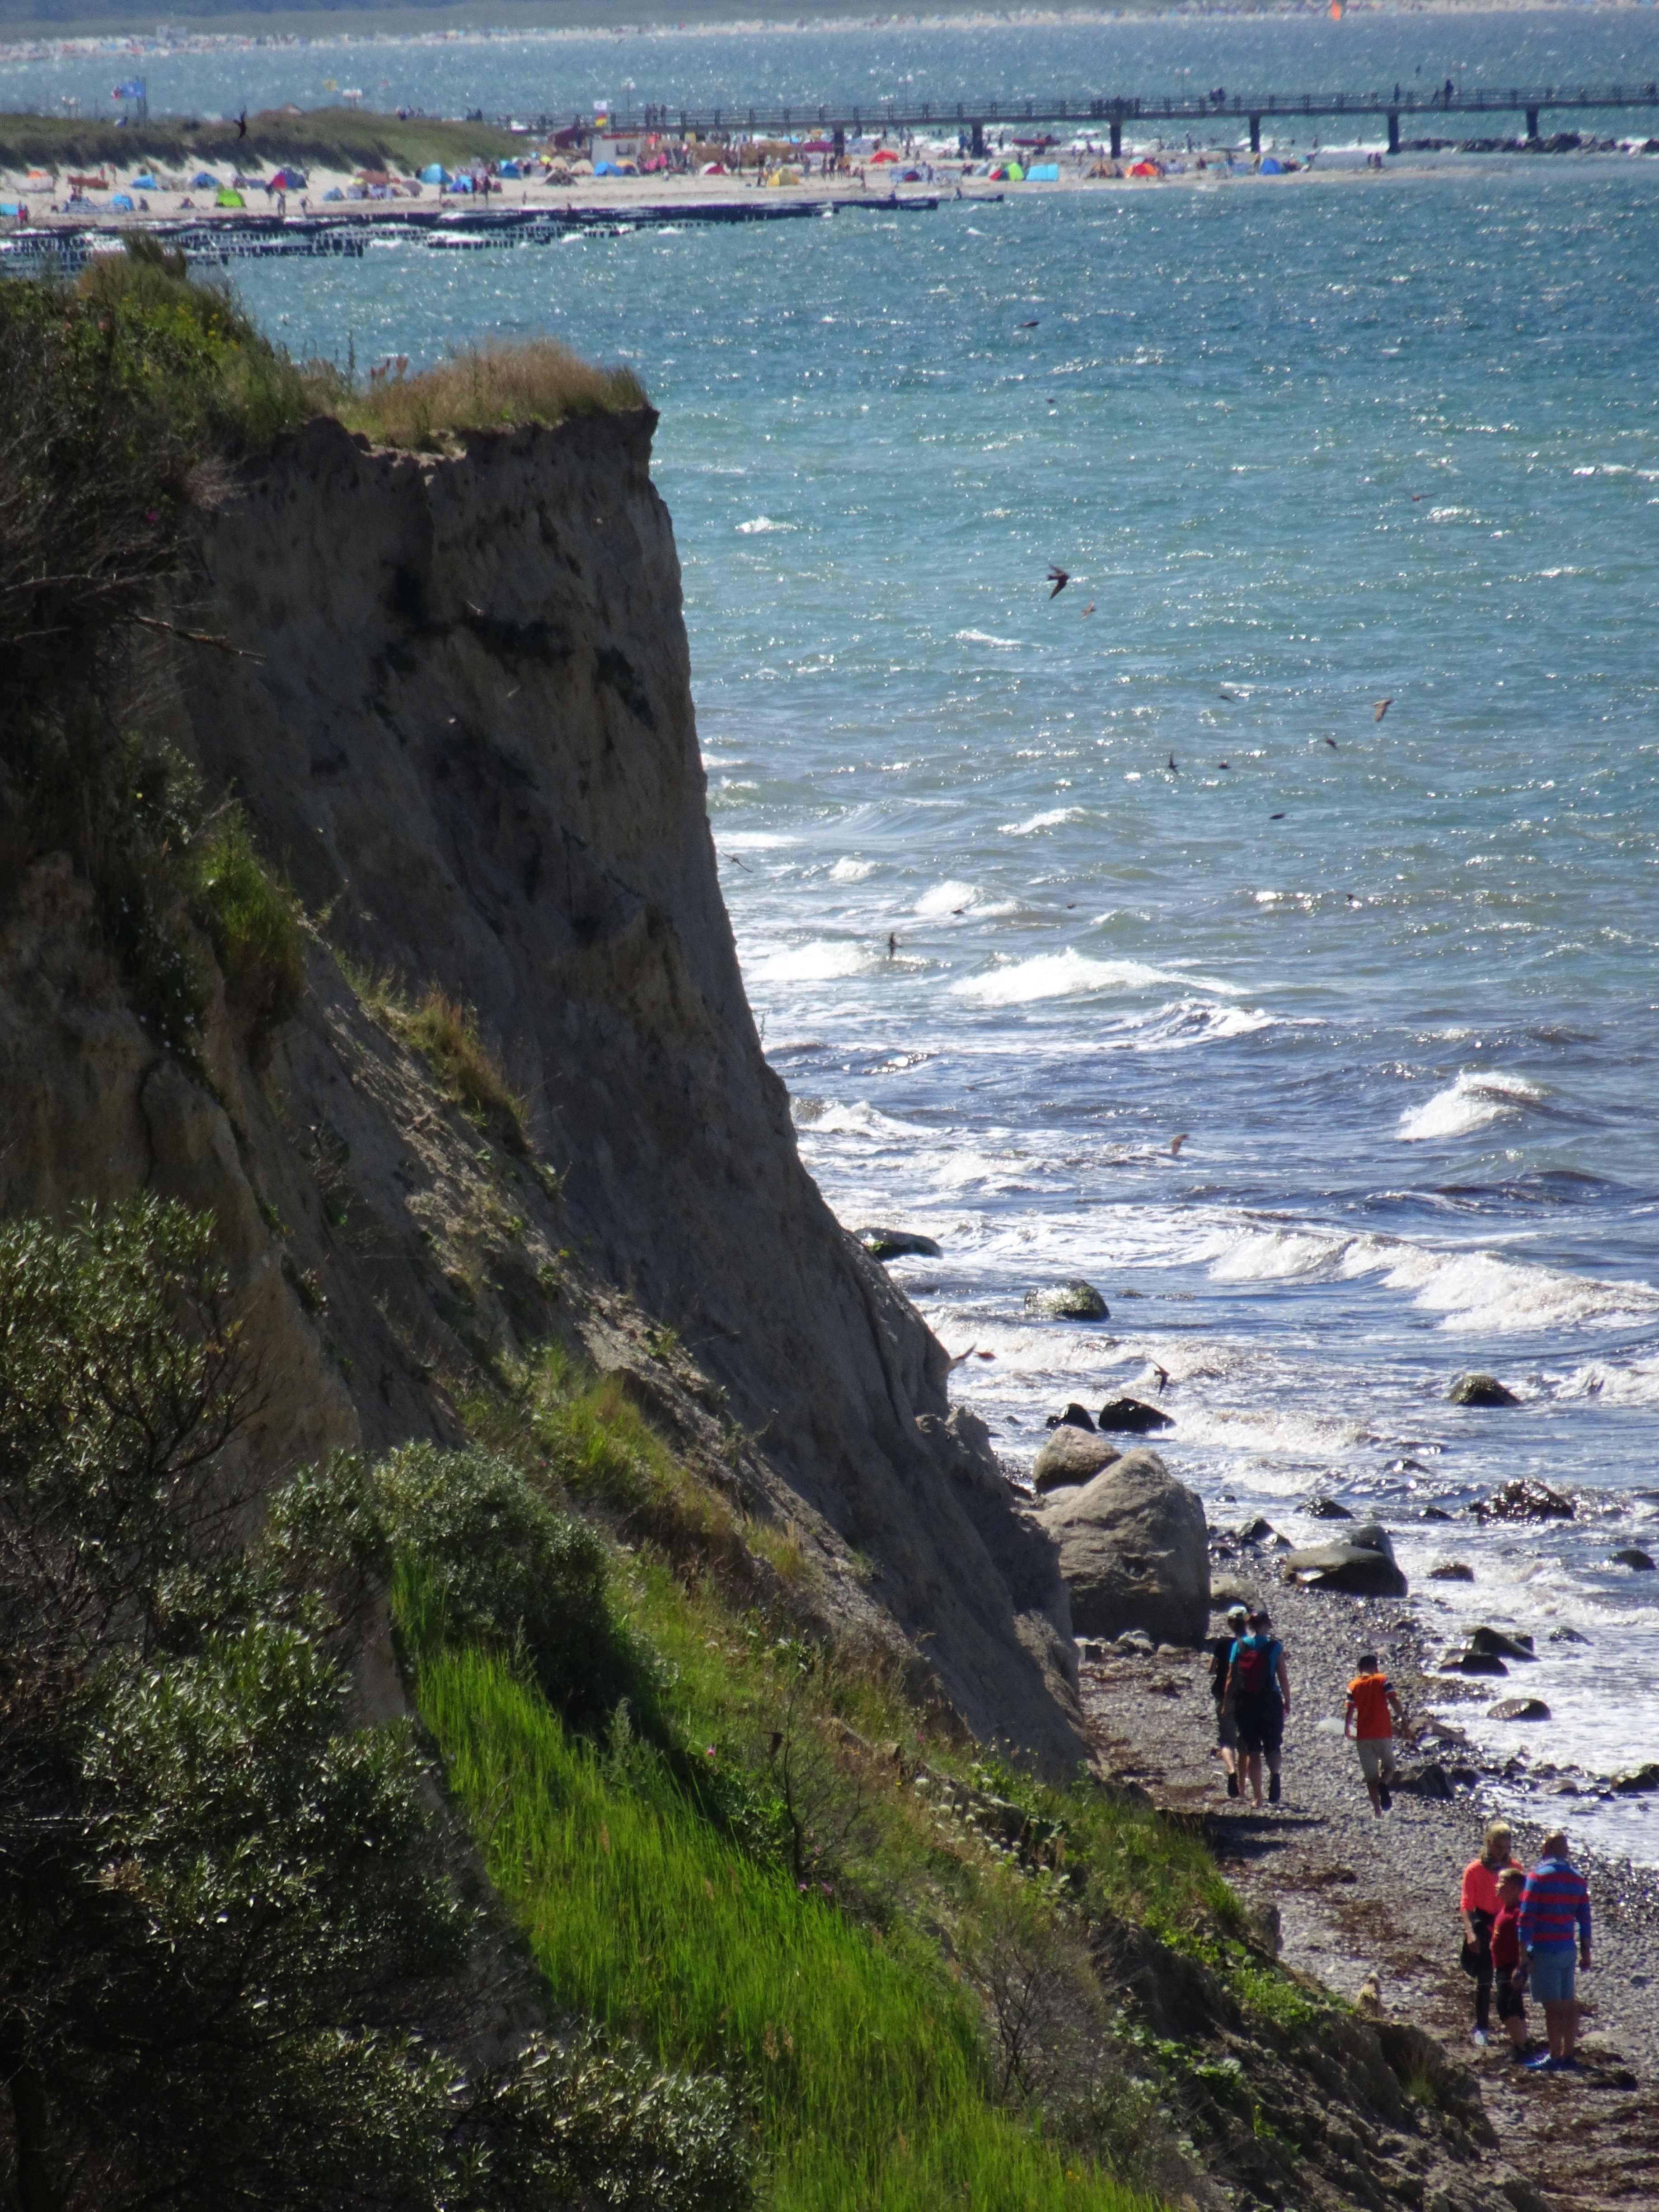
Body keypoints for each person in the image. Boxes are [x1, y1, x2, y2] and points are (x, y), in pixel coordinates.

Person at [1520, 1830, 1591, 2071]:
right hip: (1567, 1948)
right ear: (1566, 1851)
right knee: (1568, 2002)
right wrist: (1586, 1952)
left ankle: (1555, 2055)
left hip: (1544, 1948)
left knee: (1552, 2006)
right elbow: (1585, 1919)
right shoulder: (1578, 1879)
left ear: (1545, 1850)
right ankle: (1569, 2052)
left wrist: (1522, 1952)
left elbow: (1526, 1917)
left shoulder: (1537, 1877)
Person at [1226, 1607, 1289, 1807]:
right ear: (1266, 1624)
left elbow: (1231, 1678)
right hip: (1270, 1701)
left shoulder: (1240, 1645)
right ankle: (1276, 1775)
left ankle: (1257, 1797)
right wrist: (1287, 1701)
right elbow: (1282, 1677)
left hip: (1246, 1702)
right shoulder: (1275, 1647)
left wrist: (1228, 1703)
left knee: (1253, 1750)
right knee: (1273, 1746)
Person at [1460, 1820, 1514, 2045]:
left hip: (1507, 1928)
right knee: (1484, 1979)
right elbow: (1466, 1904)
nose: (1503, 1852)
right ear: (1489, 1843)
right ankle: (1482, 2026)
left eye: (1507, 1847)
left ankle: (1514, 2027)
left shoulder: (1515, 1870)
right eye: (1499, 1846)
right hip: (1483, 1925)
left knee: (1507, 1979)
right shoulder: (1474, 1870)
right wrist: (1470, 1933)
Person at [1344, 1651, 1403, 1815]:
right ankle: (1384, 1784)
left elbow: (1350, 1709)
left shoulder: (1353, 1685)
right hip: (1383, 1732)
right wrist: (1403, 1717)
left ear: (1359, 1668)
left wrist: (1347, 1728)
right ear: (1375, 1667)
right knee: (1390, 1767)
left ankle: (1377, 1812)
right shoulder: (1382, 1679)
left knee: (1370, 1778)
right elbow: (1393, 1700)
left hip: (1363, 1736)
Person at [1208, 1603, 1248, 1797]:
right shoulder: (1253, 1644)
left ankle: (1231, 1771)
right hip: (1247, 1697)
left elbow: (1212, 1669)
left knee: (1226, 1740)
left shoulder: (1223, 1643)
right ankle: (1243, 1787)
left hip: (1224, 1695)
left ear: (1230, 1623)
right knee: (1245, 1743)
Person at [1491, 1864, 1531, 2060]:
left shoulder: (1518, 1913)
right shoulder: (1505, 1910)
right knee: (1514, 2006)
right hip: (1501, 1967)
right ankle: (1522, 2042)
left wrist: (1521, 1968)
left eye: (1502, 1883)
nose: (1497, 1886)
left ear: (1516, 1889)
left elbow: (1525, 1944)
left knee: (1506, 2007)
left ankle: (1521, 2047)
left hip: (1511, 1968)